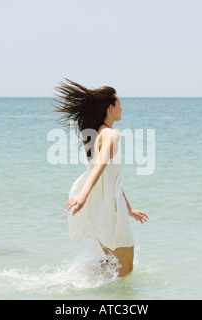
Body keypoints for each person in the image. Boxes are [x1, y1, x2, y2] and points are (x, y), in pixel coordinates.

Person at [53, 78, 149, 277]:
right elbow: (101, 165)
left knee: (115, 265)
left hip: (100, 206)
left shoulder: (94, 135)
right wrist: (84, 195)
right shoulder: (111, 135)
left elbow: (111, 177)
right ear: (110, 108)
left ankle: (79, 276)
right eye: (119, 104)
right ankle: (79, 279)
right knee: (126, 270)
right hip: (107, 208)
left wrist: (129, 209)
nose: (122, 107)